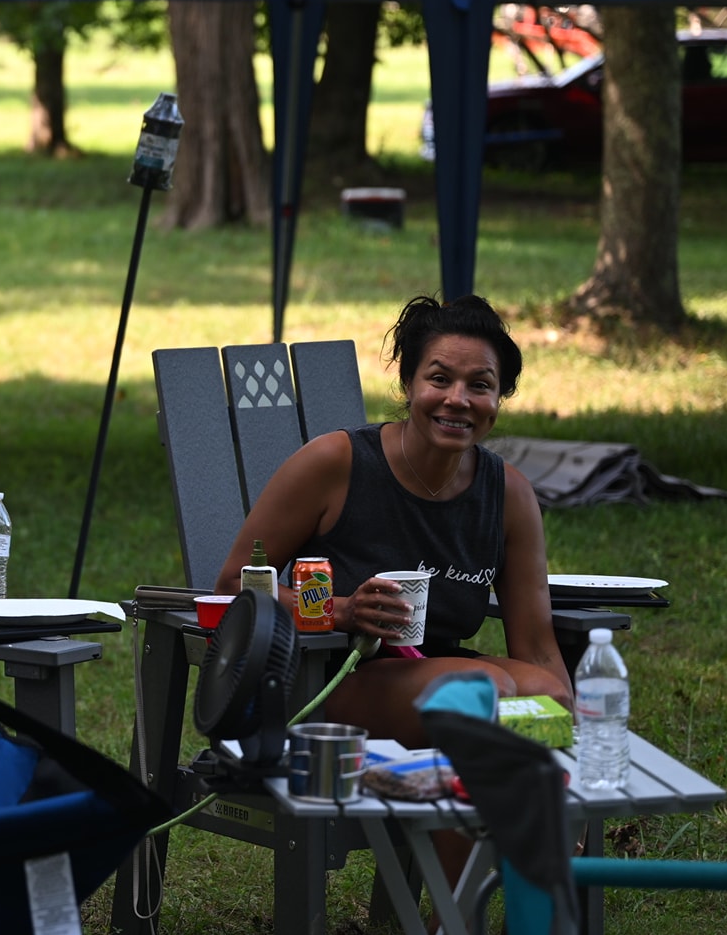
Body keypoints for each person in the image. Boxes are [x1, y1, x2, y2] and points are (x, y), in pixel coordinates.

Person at [215, 295, 570, 736]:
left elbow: (537, 652)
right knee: (486, 690)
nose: (457, 400)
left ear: (499, 398)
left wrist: (574, 723)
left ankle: (505, 784)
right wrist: (341, 611)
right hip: (327, 676)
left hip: (440, 674)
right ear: (408, 383)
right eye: (439, 379)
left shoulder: (508, 495)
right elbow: (234, 584)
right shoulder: (335, 465)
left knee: (545, 693)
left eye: (480, 385)